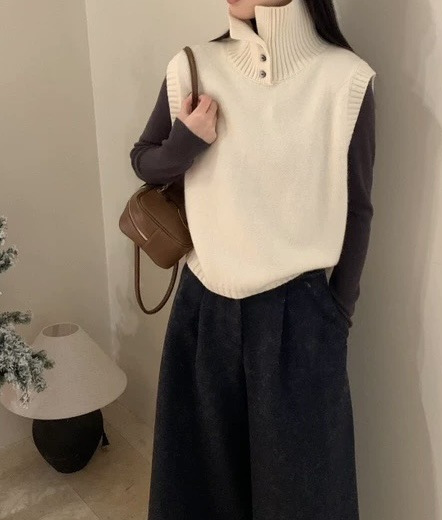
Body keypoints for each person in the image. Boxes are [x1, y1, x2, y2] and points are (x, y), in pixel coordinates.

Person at [129, 1, 376, 518]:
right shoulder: (194, 66)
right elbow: (145, 161)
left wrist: (338, 311)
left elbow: (358, 208)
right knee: (197, 496)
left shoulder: (346, 80)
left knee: (303, 501)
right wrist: (185, 143)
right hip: (203, 310)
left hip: (301, 320)